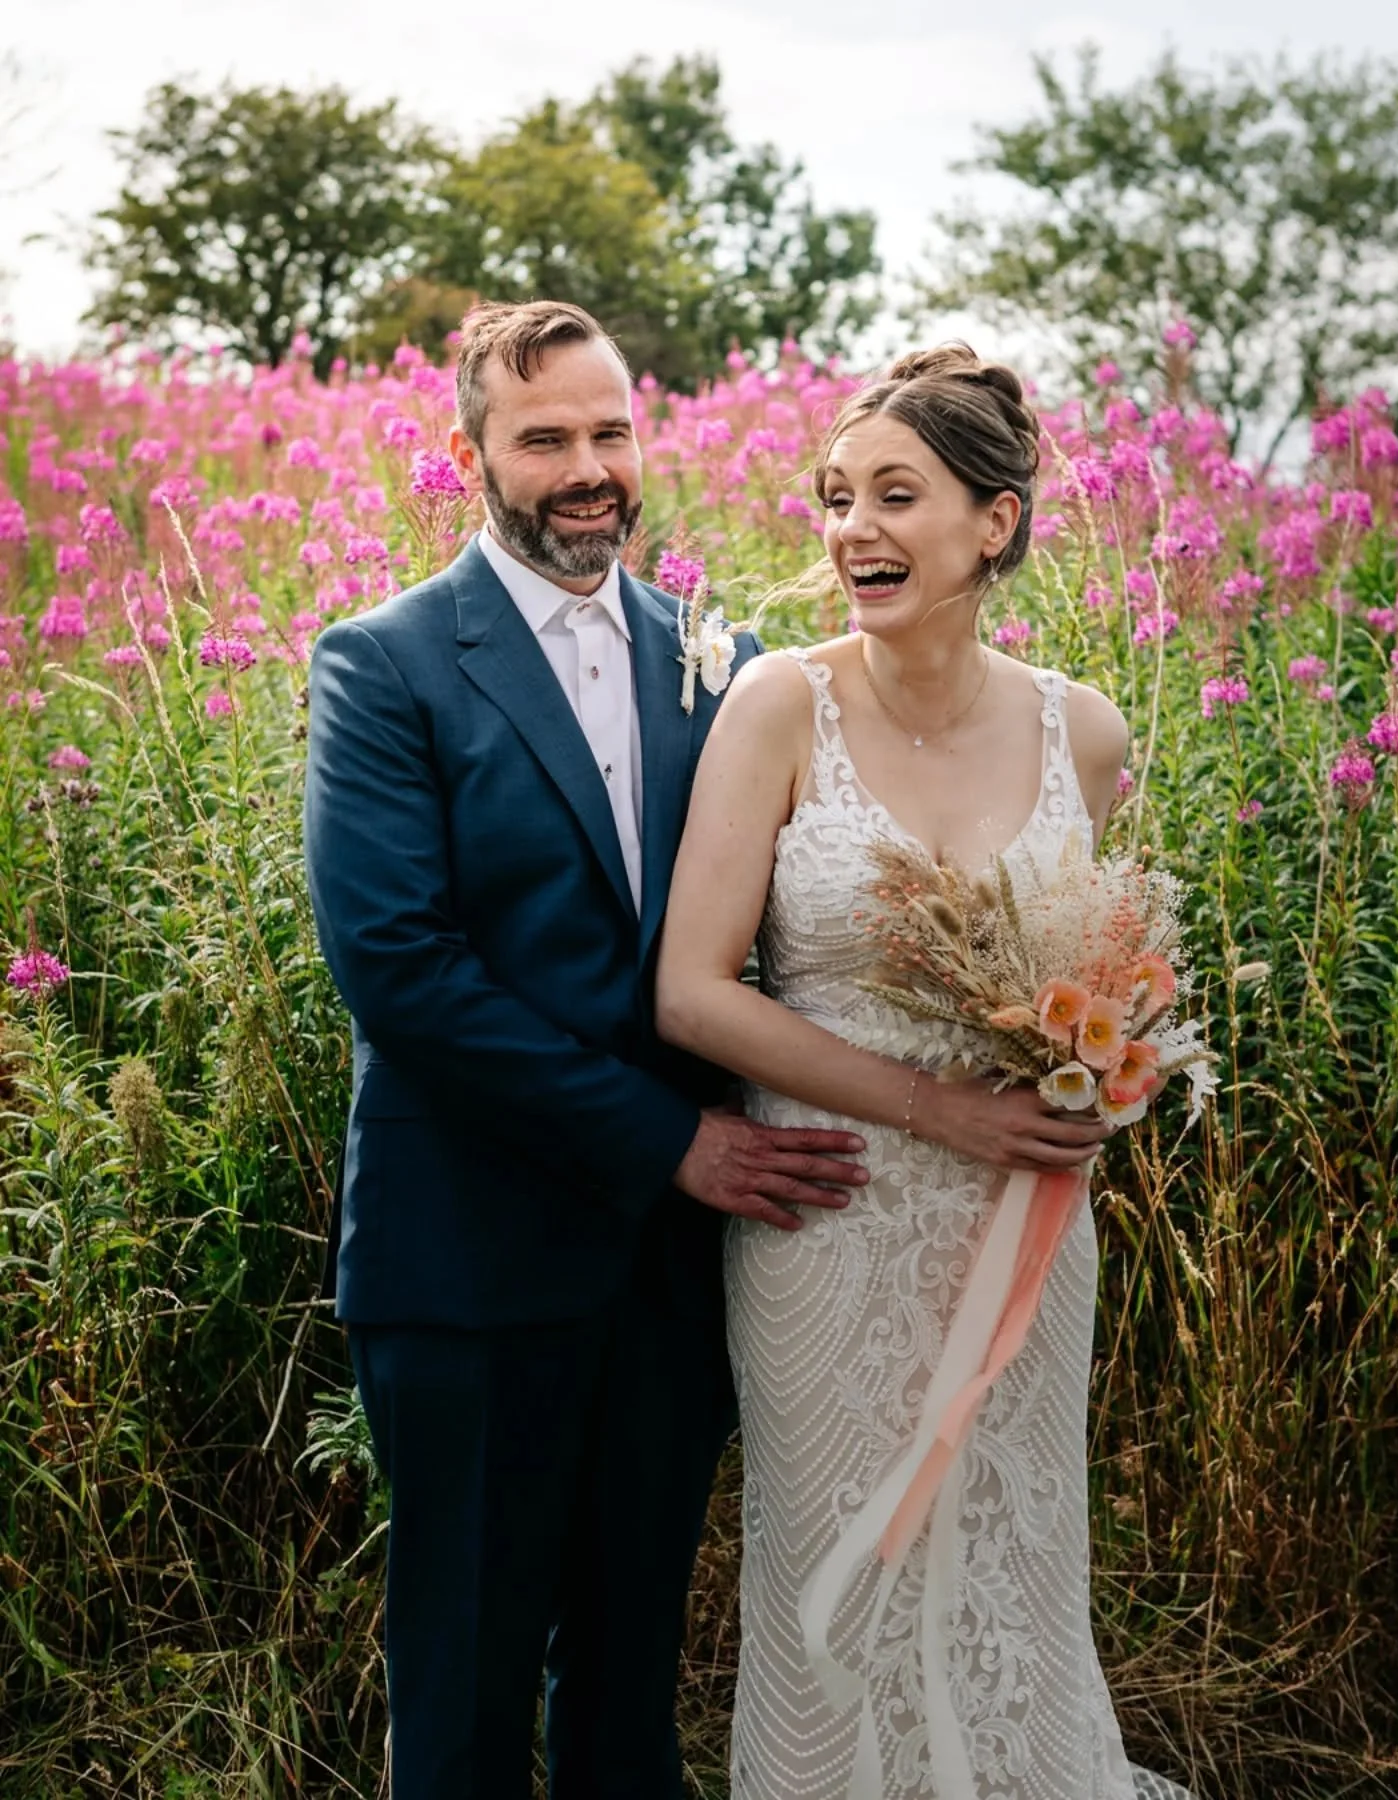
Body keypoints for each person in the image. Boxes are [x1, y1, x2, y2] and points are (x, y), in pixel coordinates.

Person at [302, 298, 869, 1800]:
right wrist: (672, 1138)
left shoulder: (724, 659)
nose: (587, 467)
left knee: (631, 1684)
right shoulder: (388, 664)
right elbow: (401, 973)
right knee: (468, 1690)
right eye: (544, 437)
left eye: (609, 431)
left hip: (675, 1275)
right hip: (470, 1262)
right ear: (474, 453)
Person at [656, 345, 1192, 1800]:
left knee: (1016, 1553)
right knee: (837, 1559)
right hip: (827, 1214)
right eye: (837, 499)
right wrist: (934, 1106)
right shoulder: (778, 706)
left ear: (995, 522)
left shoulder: (1083, 731)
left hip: (1018, 1227)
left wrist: (1100, 1080)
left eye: (899, 496)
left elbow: (1105, 972)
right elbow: (694, 992)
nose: (854, 532)